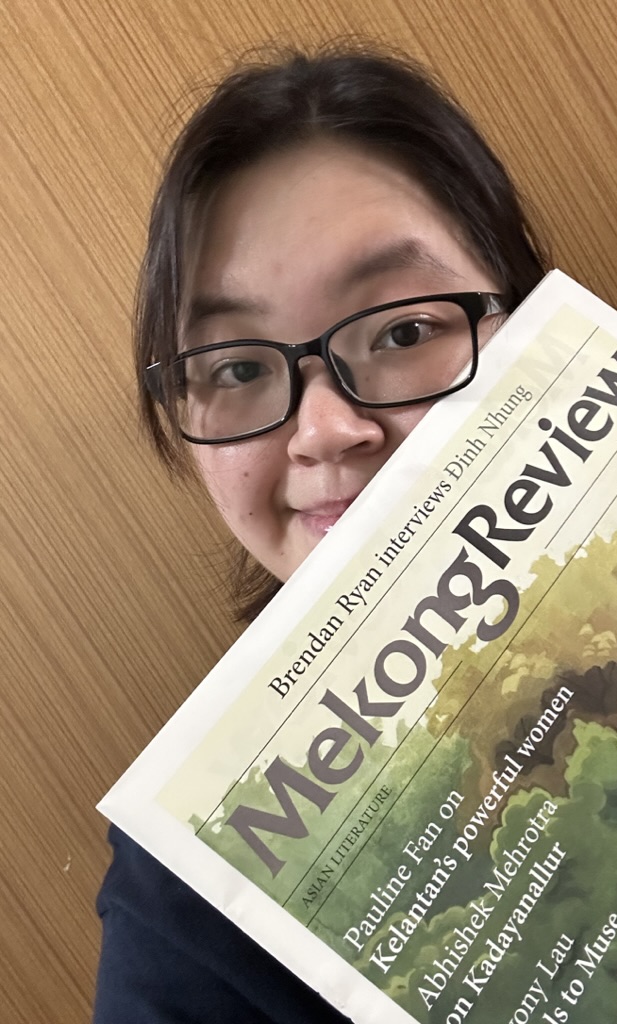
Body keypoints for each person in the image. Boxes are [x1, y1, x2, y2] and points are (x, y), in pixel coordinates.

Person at [93, 42, 548, 1023]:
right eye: (236, 368)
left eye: (402, 331)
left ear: (537, 326)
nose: (326, 430)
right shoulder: (191, 892)